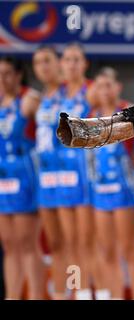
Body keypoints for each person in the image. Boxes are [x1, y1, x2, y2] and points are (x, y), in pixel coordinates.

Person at [91, 67, 134, 300]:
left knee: (129, 250)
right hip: (100, 190)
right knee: (106, 251)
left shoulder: (129, 110)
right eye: (99, 86)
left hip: (125, 189)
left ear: (117, 87)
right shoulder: (91, 114)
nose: (104, 91)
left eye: (108, 85)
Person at [0, 56, 44, 299]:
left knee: (28, 243)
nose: (2, 79)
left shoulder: (29, 100)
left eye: (7, 73)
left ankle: (36, 295)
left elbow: (53, 128)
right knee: (9, 245)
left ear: (18, 75)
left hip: (25, 177)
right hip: (2, 179)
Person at [58, 43, 97, 299]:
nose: (71, 64)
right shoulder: (55, 95)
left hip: (85, 174)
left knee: (86, 242)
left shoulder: (92, 91)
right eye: (67, 59)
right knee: (66, 242)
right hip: (61, 176)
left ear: (84, 64)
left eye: (76, 59)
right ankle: (70, 293)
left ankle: (86, 292)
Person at [32, 46, 68, 299]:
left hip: (71, 177)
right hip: (46, 178)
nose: (42, 67)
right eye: (37, 62)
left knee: (77, 243)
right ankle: (59, 293)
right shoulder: (39, 98)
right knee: (54, 244)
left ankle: (81, 291)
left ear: (59, 63)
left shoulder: (74, 93)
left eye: (47, 61)